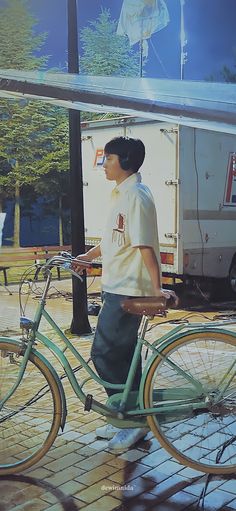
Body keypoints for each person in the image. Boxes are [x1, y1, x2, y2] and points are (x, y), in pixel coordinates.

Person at [73, 136, 174, 453]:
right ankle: (129, 415)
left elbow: (145, 246)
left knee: (104, 354)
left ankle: (132, 421)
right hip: (116, 286)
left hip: (129, 290)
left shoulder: (137, 197)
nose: (103, 164)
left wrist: (156, 288)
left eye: (109, 159)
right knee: (126, 357)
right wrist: (87, 258)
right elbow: (116, 239)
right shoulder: (121, 194)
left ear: (126, 162)